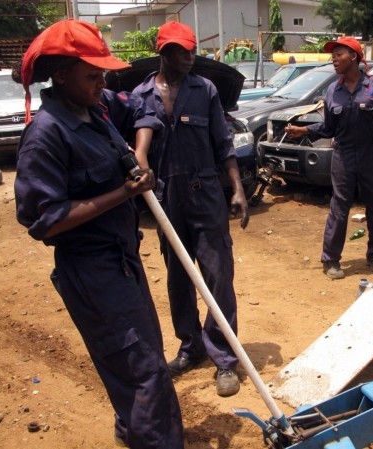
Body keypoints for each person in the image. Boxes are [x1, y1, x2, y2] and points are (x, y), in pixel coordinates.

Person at [14, 19, 184, 449]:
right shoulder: (47, 135)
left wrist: (140, 152)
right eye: (92, 74)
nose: (102, 82)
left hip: (123, 260)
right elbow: (44, 220)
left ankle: (133, 430)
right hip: (91, 272)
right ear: (62, 74)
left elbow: (144, 111)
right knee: (145, 370)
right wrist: (121, 193)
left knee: (137, 363)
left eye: (104, 73)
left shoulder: (97, 106)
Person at [132, 21, 249, 397]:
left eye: (192, 49)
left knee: (217, 277)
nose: (190, 56)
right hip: (168, 201)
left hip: (206, 196)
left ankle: (225, 359)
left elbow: (223, 143)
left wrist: (238, 189)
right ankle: (190, 346)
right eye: (182, 51)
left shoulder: (206, 90)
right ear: (164, 53)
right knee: (178, 279)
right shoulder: (141, 95)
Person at [285, 36, 373, 280]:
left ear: (353, 57)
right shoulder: (334, 90)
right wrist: (304, 130)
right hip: (343, 156)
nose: (333, 59)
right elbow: (328, 128)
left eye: (338, 54)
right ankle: (330, 259)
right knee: (339, 207)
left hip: (371, 155)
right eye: (333, 55)